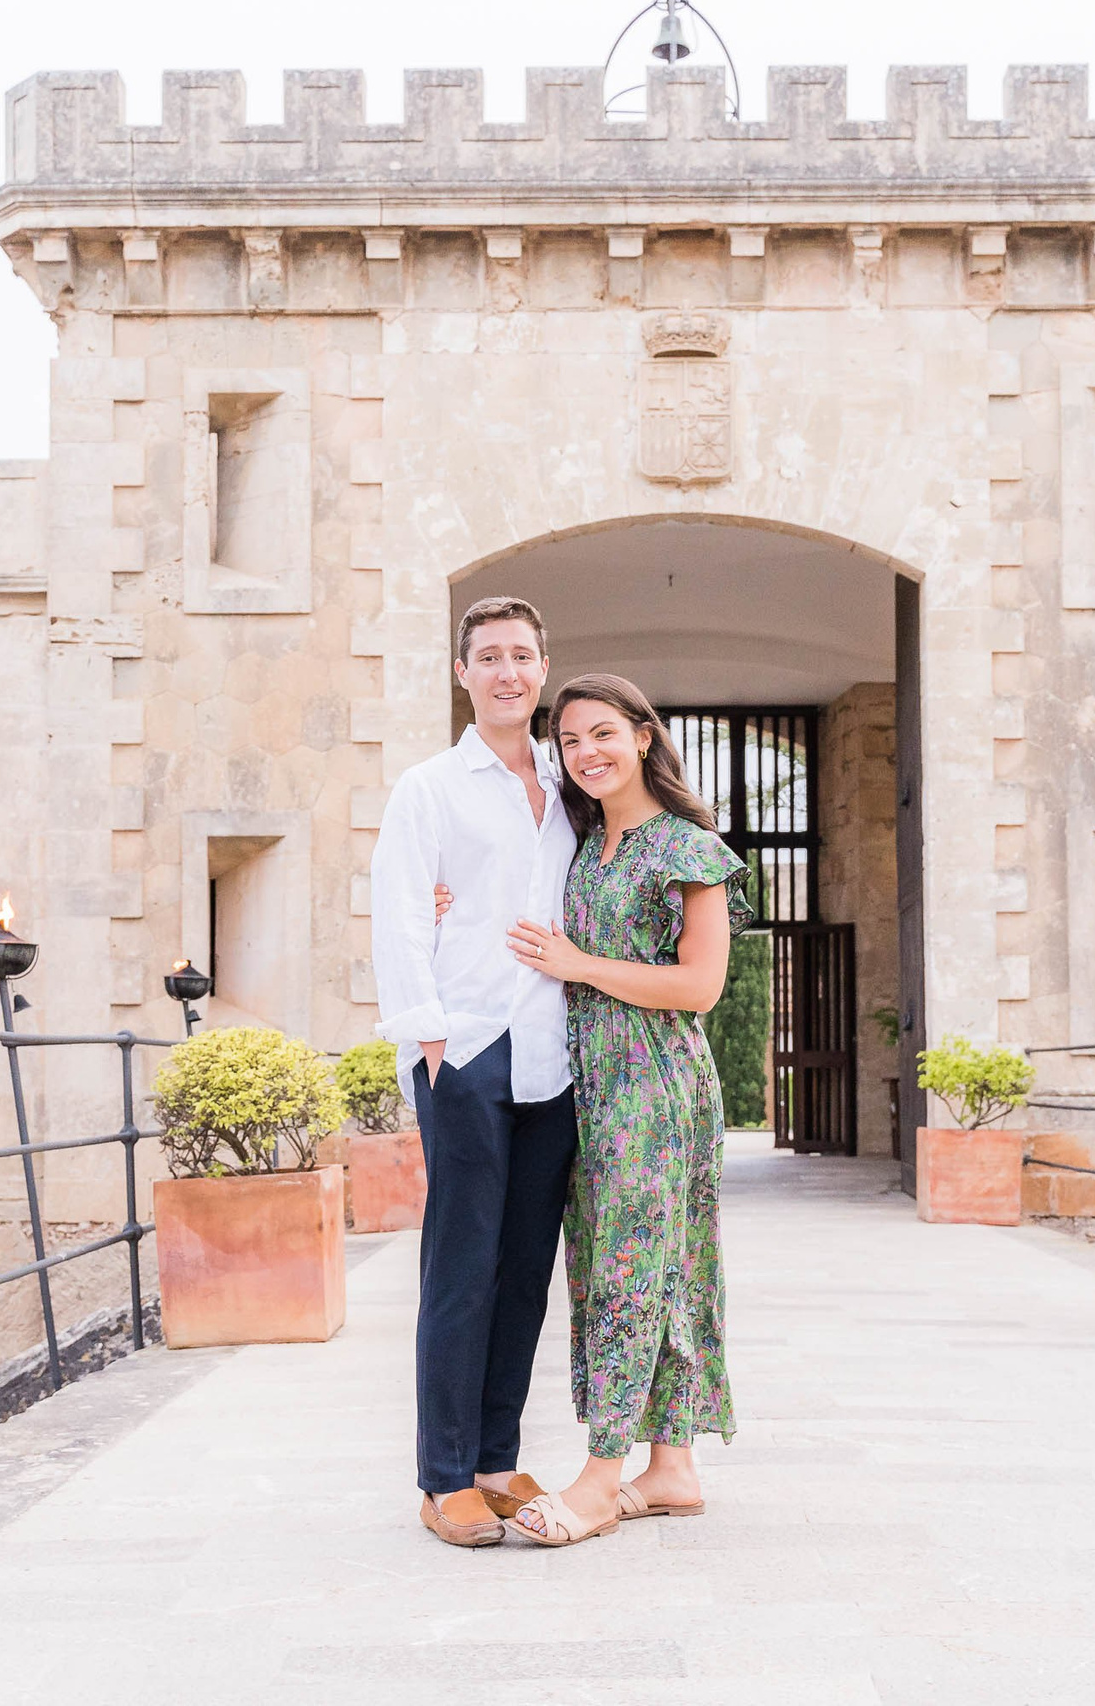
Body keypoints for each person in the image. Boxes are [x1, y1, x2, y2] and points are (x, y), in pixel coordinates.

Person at [496, 672, 748, 1548]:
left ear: (644, 736)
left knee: (635, 1271)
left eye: (603, 733)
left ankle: (603, 1473)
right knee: (631, 1262)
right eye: (568, 741)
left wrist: (582, 965)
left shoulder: (687, 847)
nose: (586, 753)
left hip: (659, 1089)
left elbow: (701, 985)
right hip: (590, 1087)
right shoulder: (575, 840)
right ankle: (671, 1469)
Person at [369, 595, 580, 1548]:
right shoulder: (430, 788)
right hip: (467, 1047)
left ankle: (497, 1456)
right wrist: (428, 1037)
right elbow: (403, 909)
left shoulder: (570, 783)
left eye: (522, 656)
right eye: (488, 655)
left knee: (528, 1266)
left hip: (554, 1050)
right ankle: (443, 1475)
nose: (506, 671)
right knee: (463, 1263)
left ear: (543, 670)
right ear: (463, 673)